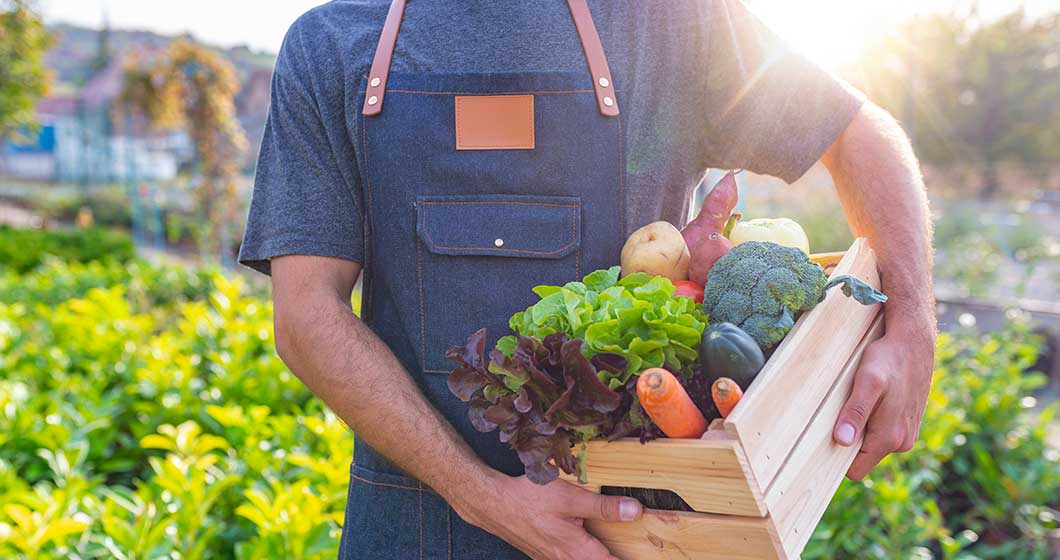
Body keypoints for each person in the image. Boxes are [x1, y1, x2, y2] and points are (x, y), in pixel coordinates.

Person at [238, 1, 936, 558]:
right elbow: (306, 316)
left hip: (640, 527)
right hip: (411, 526)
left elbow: (858, 134)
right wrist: (481, 495)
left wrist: (913, 324)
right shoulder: (330, 46)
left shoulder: (670, 22)